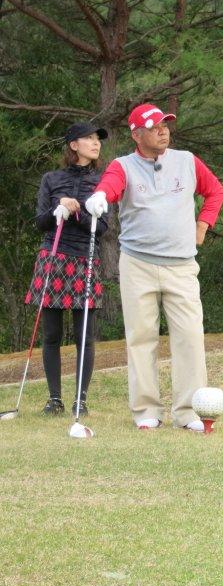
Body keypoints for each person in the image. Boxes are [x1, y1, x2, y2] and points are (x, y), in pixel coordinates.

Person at [85, 103, 223, 431]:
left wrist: (203, 224)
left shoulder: (187, 161)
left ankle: (188, 413)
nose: (163, 131)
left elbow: (215, 191)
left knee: (189, 338)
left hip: (181, 266)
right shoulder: (123, 165)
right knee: (141, 338)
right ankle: (146, 411)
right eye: (154, 127)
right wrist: (100, 196)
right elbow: (111, 185)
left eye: (165, 125)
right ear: (136, 135)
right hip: (138, 264)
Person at [25, 122, 110, 416]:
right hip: (53, 257)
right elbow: (40, 222)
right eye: (89, 138)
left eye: (98, 139)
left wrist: (80, 213)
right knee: (51, 334)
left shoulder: (102, 183)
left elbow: (102, 229)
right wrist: (58, 209)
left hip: (85, 258)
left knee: (84, 336)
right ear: (74, 145)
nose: (96, 143)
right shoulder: (51, 179)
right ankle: (55, 399)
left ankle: (80, 400)